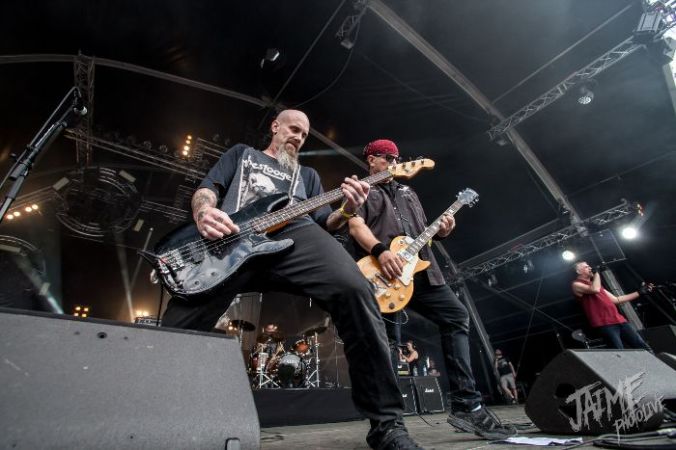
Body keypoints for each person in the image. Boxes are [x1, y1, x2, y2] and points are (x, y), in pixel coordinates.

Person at [160, 111, 423, 450]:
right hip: (232, 239)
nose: (298, 137)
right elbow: (207, 189)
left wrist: (347, 209)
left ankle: (387, 425)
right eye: (294, 129)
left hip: (297, 233)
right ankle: (150, 410)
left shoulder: (307, 175)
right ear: (275, 126)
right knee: (180, 320)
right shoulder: (242, 154)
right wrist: (204, 213)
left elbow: (326, 221)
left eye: (304, 134)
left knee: (356, 289)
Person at [347, 139, 515, 440]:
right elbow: (355, 226)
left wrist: (442, 232)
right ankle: (388, 423)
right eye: (388, 157)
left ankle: (467, 405)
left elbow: (421, 232)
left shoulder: (409, 192)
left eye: (397, 157)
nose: (394, 162)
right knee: (387, 343)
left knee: (457, 316)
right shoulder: (362, 188)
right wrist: (381, 251)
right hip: (383, 273)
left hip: (422, 271)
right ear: (371, 160)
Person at [572, 261, 652, 350]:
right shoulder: (576, 284)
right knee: (618, 350)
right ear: (578, 271)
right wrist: (597, 273)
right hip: (605, 324)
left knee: (642, 346)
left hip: (619, 320)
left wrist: (639, 292)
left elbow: (617, 300)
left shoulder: (596, 285)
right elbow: (595, 289)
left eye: (589, 266)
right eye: (586, 267)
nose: (590, 268)